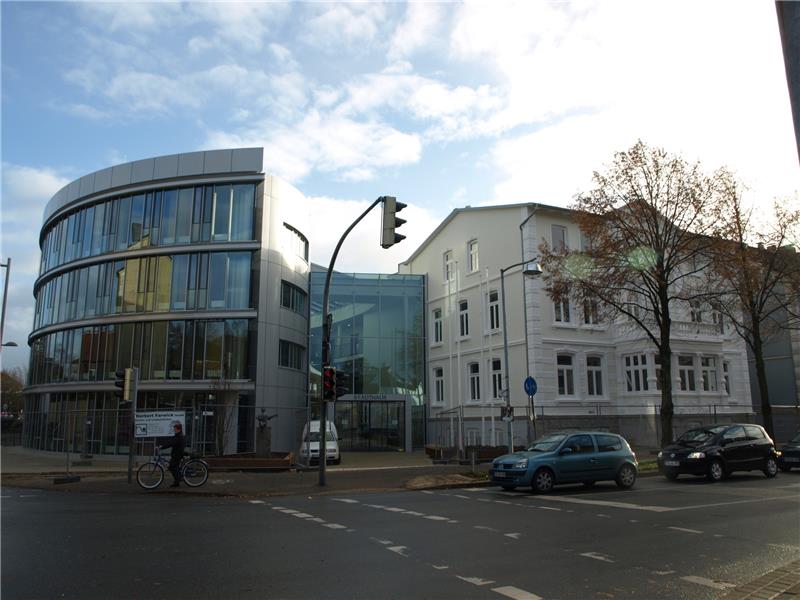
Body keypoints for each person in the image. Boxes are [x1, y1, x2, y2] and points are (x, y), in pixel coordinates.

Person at [158, 422, 185, 487]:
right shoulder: (177, 435)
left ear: (178, 429)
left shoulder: (179, 436)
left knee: (173, 467)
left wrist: (162, 447)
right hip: (176, 454)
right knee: (172, 467)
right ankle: (177, 482)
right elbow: (170, 441)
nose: (174, 430)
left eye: (175, 429)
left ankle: (179, 478)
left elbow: (171, 443)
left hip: (177, 455)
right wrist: (162, 445)